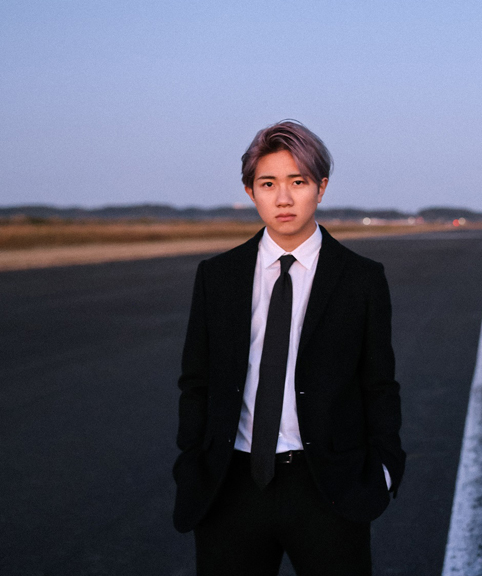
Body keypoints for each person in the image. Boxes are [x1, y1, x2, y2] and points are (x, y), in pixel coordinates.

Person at [172, 120, 405, 575]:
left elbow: (379, 383)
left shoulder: (361, 279)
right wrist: (191, 463)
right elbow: (196, 380)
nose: (283, 198)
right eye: (268, 184)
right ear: (250, 191)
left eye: (297, 182)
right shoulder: (217, 276)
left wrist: (384, 469)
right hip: (231, 486)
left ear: (321, 188)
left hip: (328, 487)